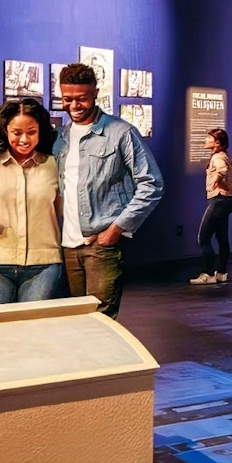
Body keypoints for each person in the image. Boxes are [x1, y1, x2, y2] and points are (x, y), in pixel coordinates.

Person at [54, 63, 164, 318]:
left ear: (95, 93)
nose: (74, 106)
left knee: (101, 320)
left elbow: (152, 183)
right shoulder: (60, 136)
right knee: (77, 320)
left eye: (82, 98)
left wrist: (116, 230)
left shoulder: (121, 132)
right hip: (68, 245)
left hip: (101, 245)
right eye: (67, 99)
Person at [0, 98, 64, 305]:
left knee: (34, 325)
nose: (24, 139)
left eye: (31, 132)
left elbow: (65, 209)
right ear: (5, 131)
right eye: (17, 133)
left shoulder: (53, 166)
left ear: (40, 131)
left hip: (44, 264)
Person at [190, 128, 232, 285]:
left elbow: (223, 170)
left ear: (218, 142)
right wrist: (230, 187)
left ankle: (208, 274)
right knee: (222, 238)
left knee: (203, 237)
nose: (206, 140)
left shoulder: (217, 157)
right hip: (226, 200)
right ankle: (221, 272)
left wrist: (217, 181)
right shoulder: (227, 156)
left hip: (219, 200)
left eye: (209, 138)